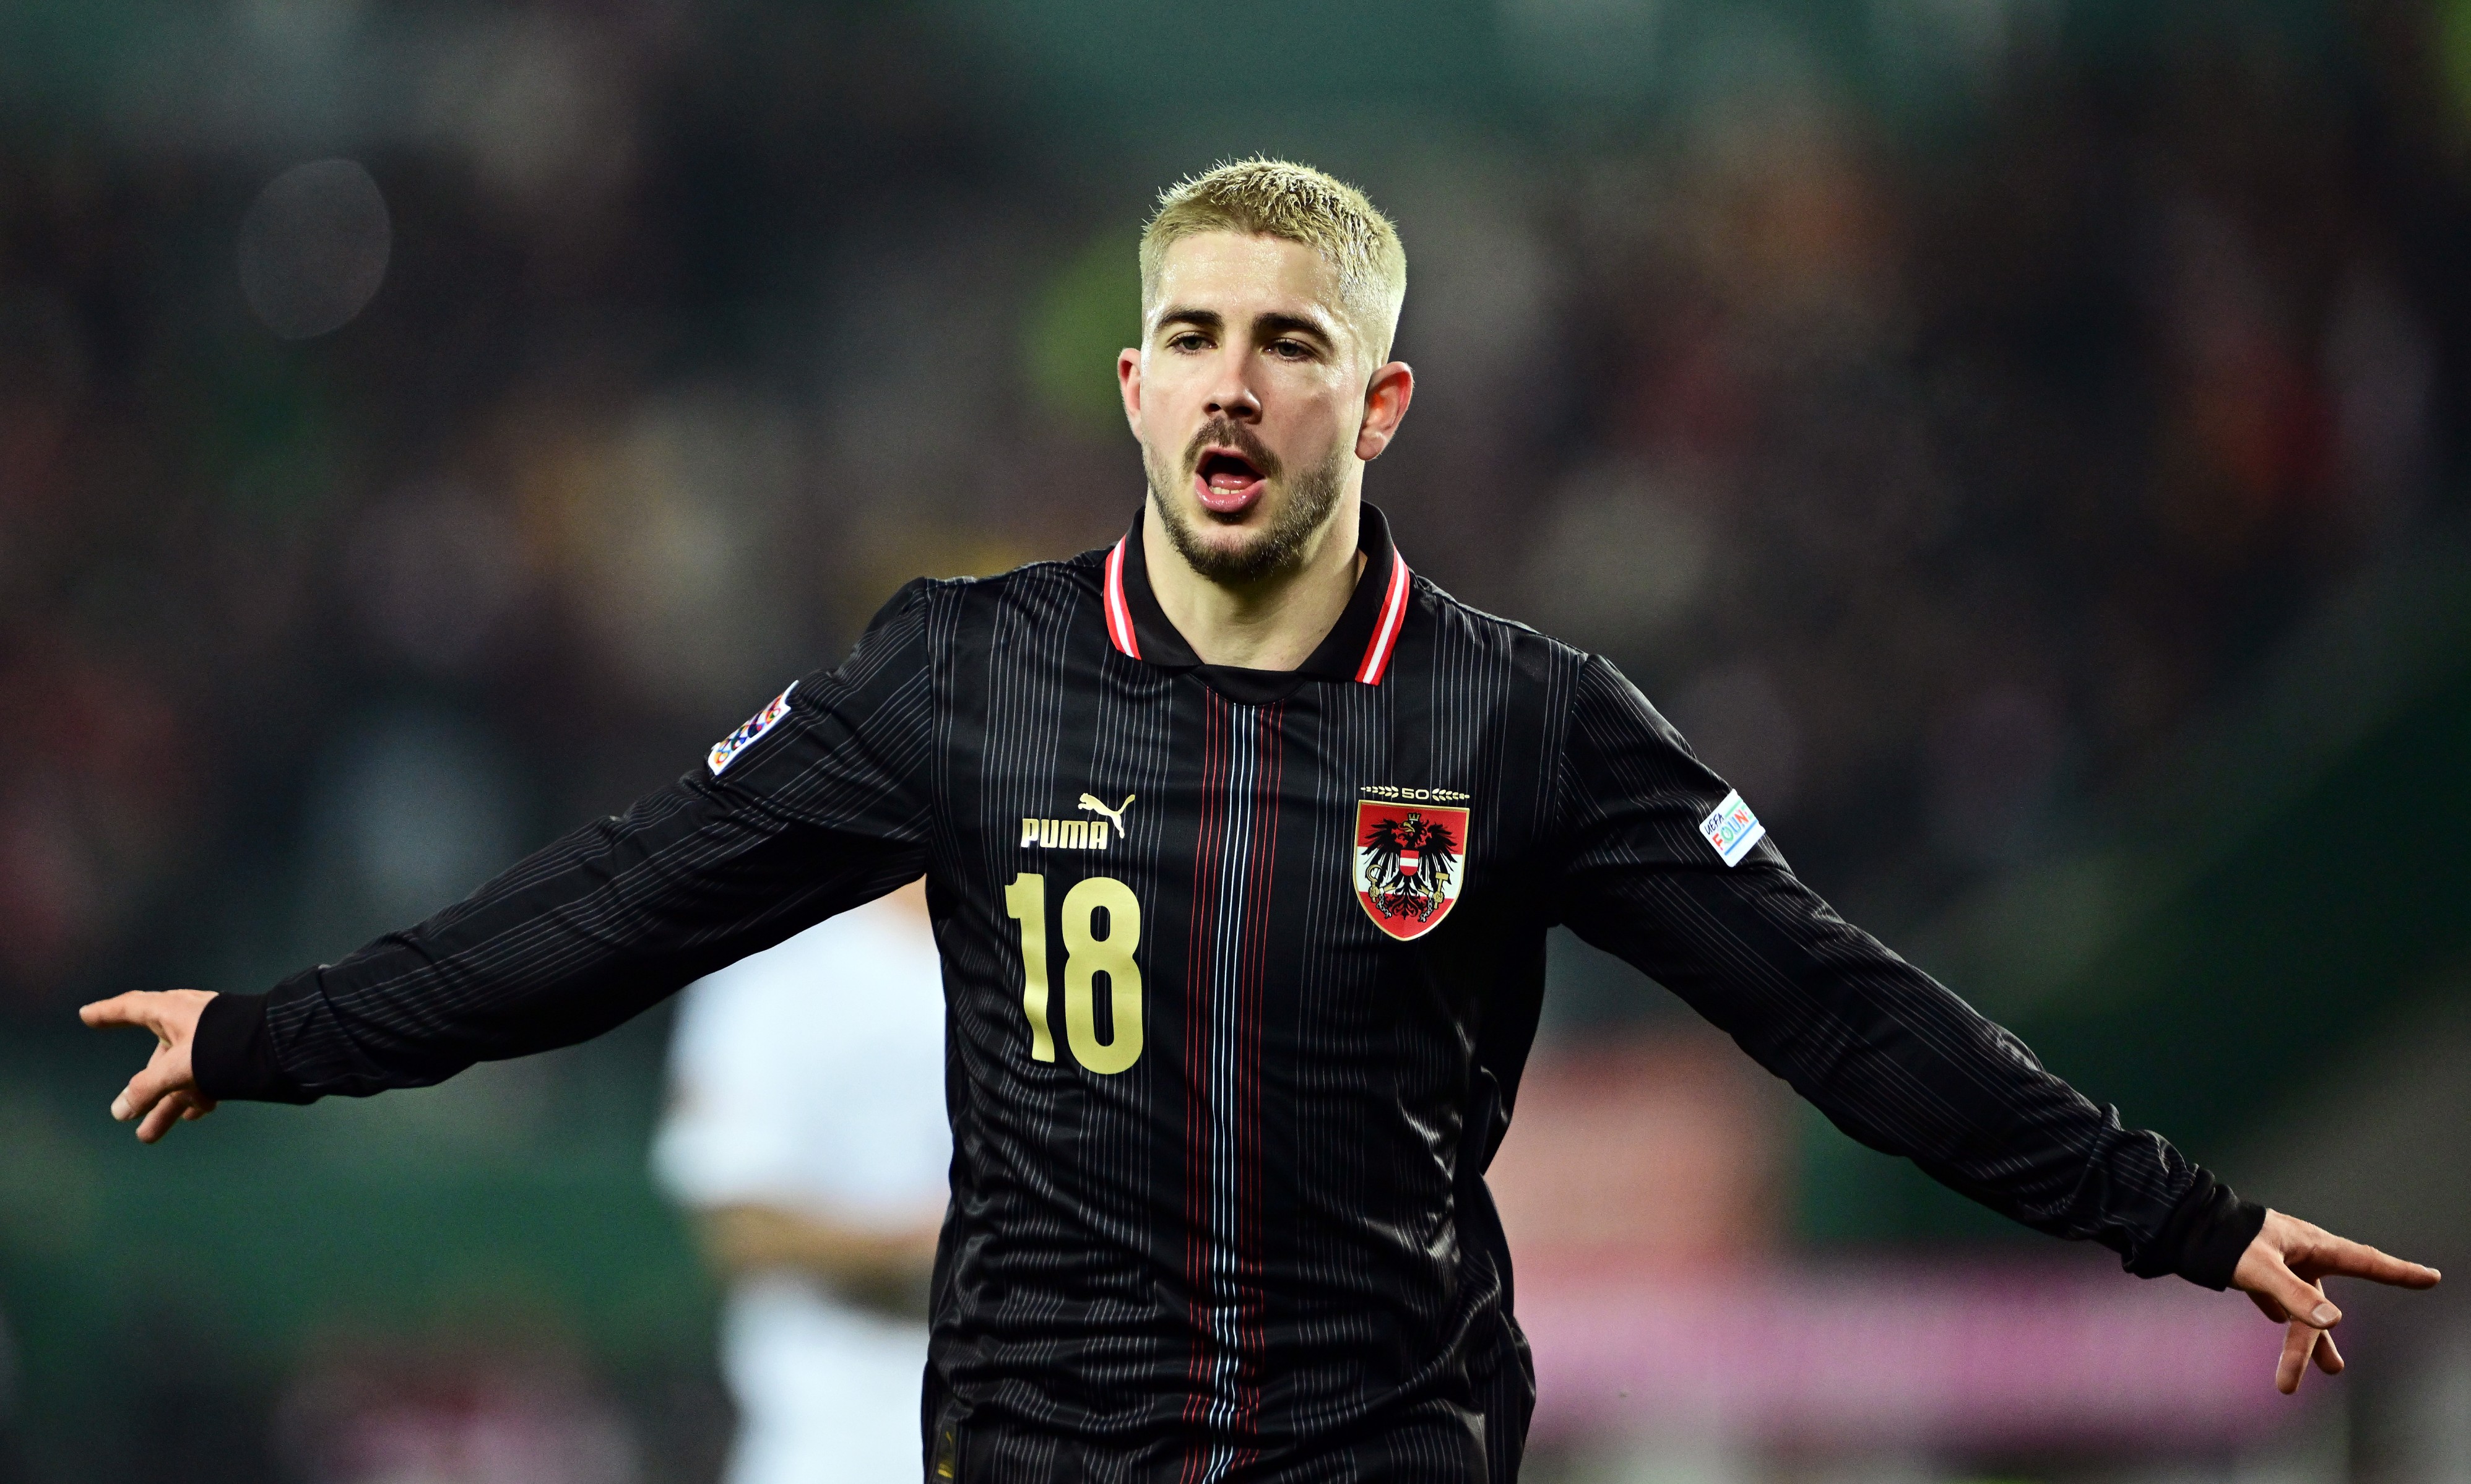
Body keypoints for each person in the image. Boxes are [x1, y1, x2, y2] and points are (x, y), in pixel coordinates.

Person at [85, 158, 2436, 1483]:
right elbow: (617, 906)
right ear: (1128, 386)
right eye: (1192, 336)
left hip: (1377, 1446)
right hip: (1039, 1453)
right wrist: (283, 1032)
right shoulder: (959, 677)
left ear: (1377, 400)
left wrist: (2175, 1213)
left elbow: (1831, 1008)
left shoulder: (1524, 723)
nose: (1233, 380)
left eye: (1288, 341)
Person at [652, 881, 950, 1484]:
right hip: (847, 1429)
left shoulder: (1076, 943)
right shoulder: (783, 958)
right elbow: (738, 1225)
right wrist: (923, 1248)